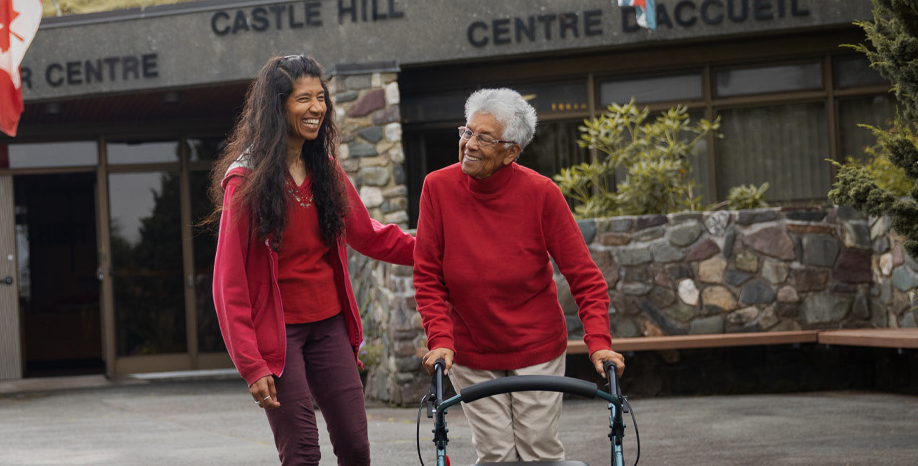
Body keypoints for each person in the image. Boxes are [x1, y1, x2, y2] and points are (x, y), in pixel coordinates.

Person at [211, 54, 415, 466]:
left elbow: (369, 235)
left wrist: (440, 248)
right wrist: (252, 365)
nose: (317, 108)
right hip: (279, 337)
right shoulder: (245, 181)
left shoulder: (326, 169)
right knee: (302, 453)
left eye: (321, 98)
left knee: (356, 448)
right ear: (278, 105)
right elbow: (228, 284)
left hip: (330, 327)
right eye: (304, 99)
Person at [413, 88, 625, 464]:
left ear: (512, 151)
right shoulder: (437, 188)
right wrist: (441, 338)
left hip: (536, 344)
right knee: (496, 454)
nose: (469, 145)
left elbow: (584, 277)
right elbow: (428, 276)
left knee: (539, 452)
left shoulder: (541, 194)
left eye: (484, 138)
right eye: (467, 132)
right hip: (471, 346)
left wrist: (599, 341)